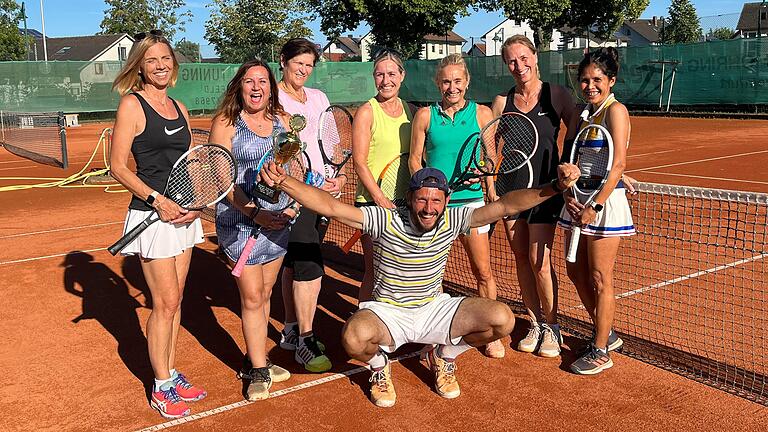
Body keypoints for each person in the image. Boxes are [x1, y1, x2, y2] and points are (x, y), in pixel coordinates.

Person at [260, 161, 580, 408]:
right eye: (422, 199)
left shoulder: (454, 220)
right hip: (388, 313)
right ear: (411, 198)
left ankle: (444, 355)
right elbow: (329, 206)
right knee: (353, 337)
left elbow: (507, 205)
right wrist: (284, 181)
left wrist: (555, 186)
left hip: (433, 310)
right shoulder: (384, 219)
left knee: (503, 319)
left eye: (436, 200)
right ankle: (378, 366)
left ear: (446, 200)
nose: (429, 208)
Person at [109, 30, 206, 419]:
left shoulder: (180, 108)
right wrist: (157, 200)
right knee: (163, 303)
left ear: (174, 64)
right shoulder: (132, 106)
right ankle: (161, 385)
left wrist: (196, 202)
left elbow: (192, 162)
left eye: (165, 59)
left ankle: (170, 370)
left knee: (176, 300)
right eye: (151, 60)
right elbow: (117, 167)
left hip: (185, 214)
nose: (160, 65)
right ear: (140, 66)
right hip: (152, 215)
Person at [409, 54, 504, 358]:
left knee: (483, 271)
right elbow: (415, 159)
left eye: (457, 81)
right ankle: (430, 334)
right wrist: (424, 190)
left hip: (472, 206)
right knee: (429, 277)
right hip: (437, 209)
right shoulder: (425, 115)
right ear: (438, 84)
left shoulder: (482, 113)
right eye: (446, 81)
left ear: (467, 82)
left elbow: (490, 157)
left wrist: (486, 177)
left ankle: (489, 333)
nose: (452, 87)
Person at [209, 59, 293, 400]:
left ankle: (256, 355)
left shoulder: (283, 122)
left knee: (267, 291)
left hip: (277, 221)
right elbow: (221, 178)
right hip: (240, 222)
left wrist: (293, 204)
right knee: (252, 295)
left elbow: (293, 166)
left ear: (271, 86)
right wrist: (253, 212)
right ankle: (258, 368)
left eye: (262, 81)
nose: (256, 87)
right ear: (239, 87)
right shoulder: (226, 124)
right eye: (249, 81)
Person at [490, 35, 578, 358]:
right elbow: (490, 142)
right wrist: (489, 176)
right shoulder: (503, 102)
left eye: (524, 58)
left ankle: (553, 327)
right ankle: (535, 322)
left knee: (539, 261)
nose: (519, 65)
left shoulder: (555, 95)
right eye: (512, 61)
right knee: (521, 258)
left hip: (544, 190)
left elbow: (581, 129)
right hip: (510, 191)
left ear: (535, 57)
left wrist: (572, 164)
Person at [558, 47, 635, 375]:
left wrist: (597, 205)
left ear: (611, 80)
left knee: (601, 277)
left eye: (597, 80)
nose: (590, 85)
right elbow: (576, 159)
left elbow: (617, 164)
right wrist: (569, 181)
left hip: (603, 204)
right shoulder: (583, 113)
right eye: (585, 80)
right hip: (578, 199)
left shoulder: (615, 111)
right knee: (575, 271)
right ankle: (607, 331)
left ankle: (601, 348)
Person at [276, 38, 338, 373]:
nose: (303, 70)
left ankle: (290, 329)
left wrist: (335, 176)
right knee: (309, 264)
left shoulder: (318, 98)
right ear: (284, 61)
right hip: (291, 192)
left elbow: (329, 142)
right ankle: (306, 339)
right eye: (298, 63)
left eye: (309, 65)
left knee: (293, 263)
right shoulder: (273, 97)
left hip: (322, 193)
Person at [352, 49, 412, 302]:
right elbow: (359, 162)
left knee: (403, 271)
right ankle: (365, 328)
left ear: (402, 75)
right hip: (373, 204)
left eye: (391, 74)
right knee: (375, 271)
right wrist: (380, 199)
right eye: (379, 74)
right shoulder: (367, 111)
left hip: (406, 205)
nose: (386, 80)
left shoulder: (411, 111)